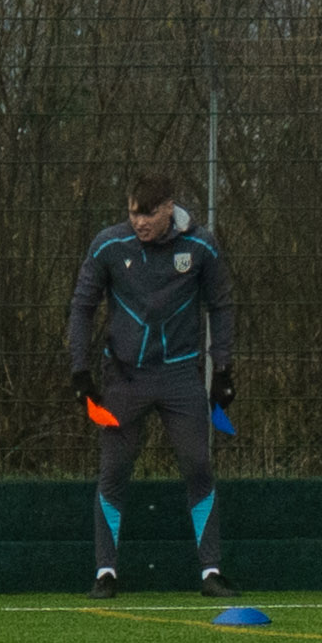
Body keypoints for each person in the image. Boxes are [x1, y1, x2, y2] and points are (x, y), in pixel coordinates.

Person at [65, 171, 235, 599]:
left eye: (148, 214)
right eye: (132, 213)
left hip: (181, 376)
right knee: (114, 471)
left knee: (198, 465)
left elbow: (221, 306)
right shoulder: (108, 244)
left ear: (169, 208)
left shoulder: (201, 247)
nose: (139, 222)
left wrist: (224, 370)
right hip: (124, 379)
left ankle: (210, 572)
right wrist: (79, 369)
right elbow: (82, 306)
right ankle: (106, 572)